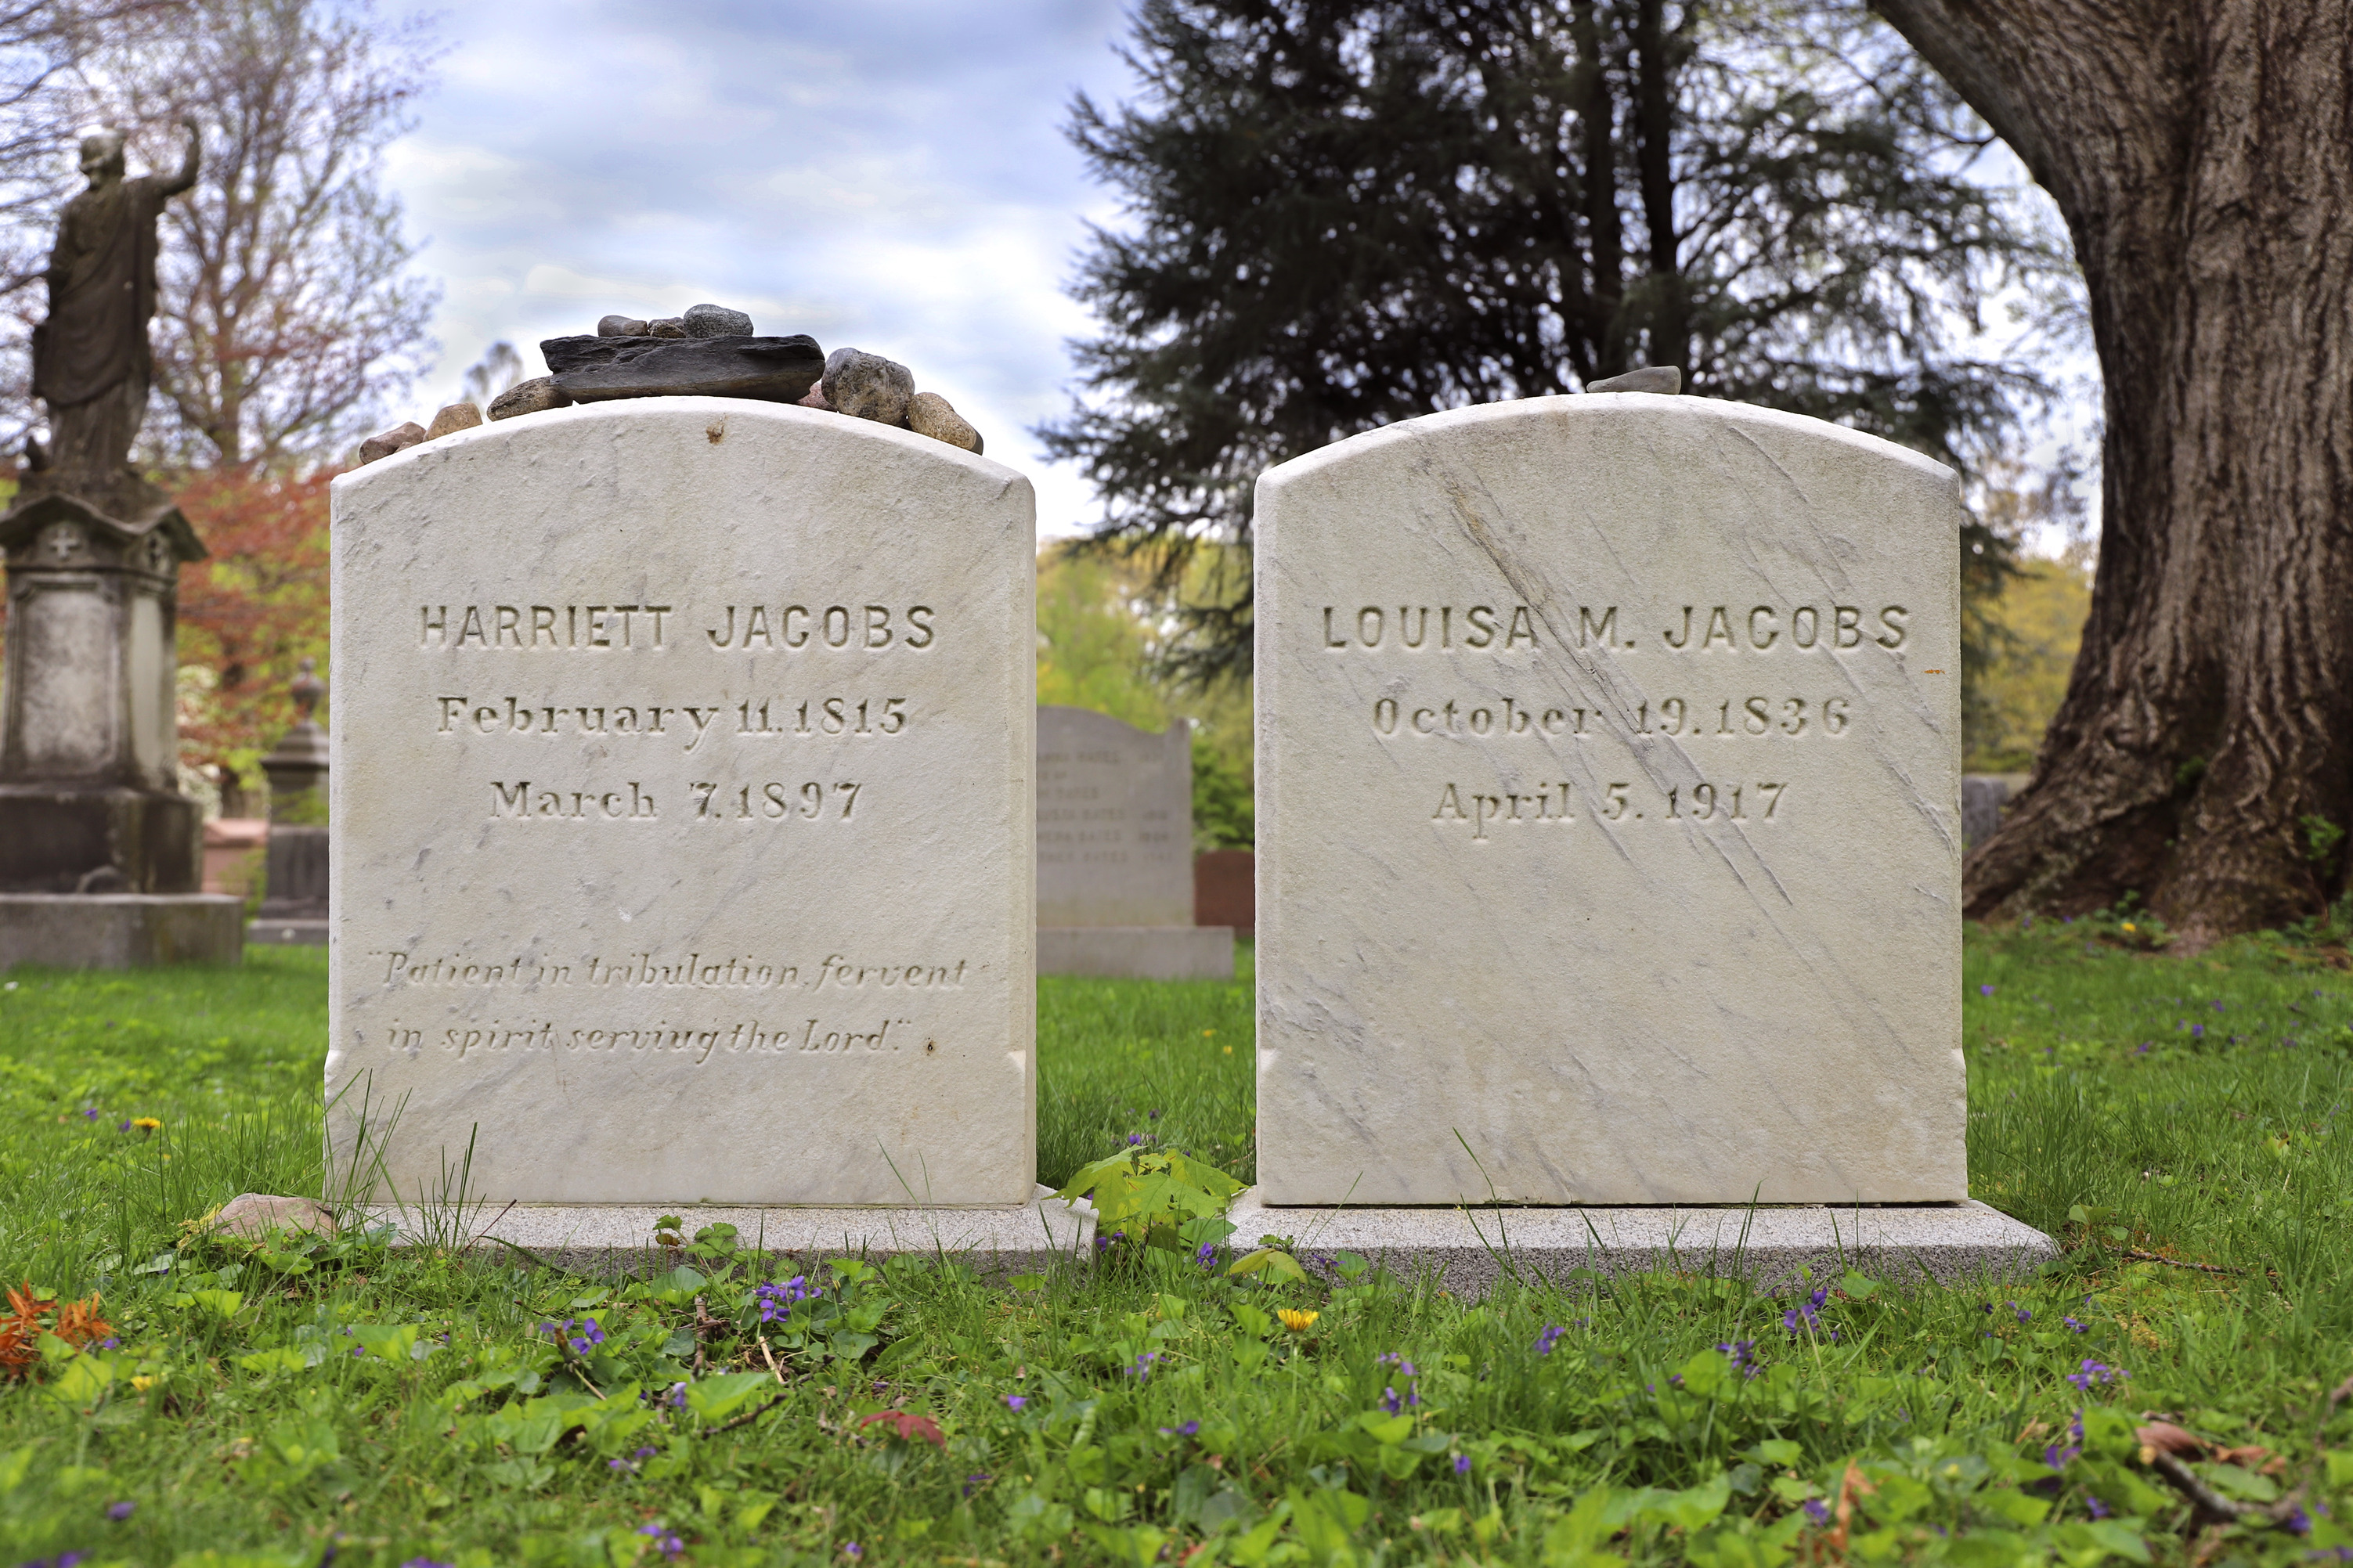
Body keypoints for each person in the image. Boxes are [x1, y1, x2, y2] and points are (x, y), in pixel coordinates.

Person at [31, 121, 200, 476]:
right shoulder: (136, 194)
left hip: (74, 309)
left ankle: (66, 459)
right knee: (119, 381)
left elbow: (59, 267)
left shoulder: (75, 208)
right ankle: (104, 463)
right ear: (115, 162)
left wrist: (54, 313)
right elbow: (183, 178)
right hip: (115, 311)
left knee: (71, 386)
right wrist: (194, 138)